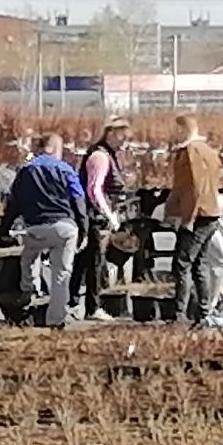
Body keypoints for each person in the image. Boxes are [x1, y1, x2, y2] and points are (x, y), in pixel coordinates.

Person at [0, 133, 87, 329]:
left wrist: (3, 230)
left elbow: (13, 204)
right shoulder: (66, 169)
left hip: (35, 228)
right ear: (56, 148)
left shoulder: (25, 170)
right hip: (64, 228)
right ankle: (56, 320)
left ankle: (29, 290)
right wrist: (83, 231)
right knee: (61, 274)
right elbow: (79, 201)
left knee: (29, 256)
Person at [71, 116, 130, 320]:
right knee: (94, 261)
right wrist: (108, 214)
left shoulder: (107, 155)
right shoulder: (100, 156)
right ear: (110, 133)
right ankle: (92, 307)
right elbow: (94, 189)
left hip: (96, 215)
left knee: (86, 261)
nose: (124, 140)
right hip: (95, 217)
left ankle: (74, 302)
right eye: (121, 135)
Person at [166, 112, 221, 324]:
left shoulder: (190, 152)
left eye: (176, 129)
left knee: (182, 263)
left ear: (183, 129)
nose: (174, 134)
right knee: (199, 263)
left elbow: (195, 187)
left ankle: (180, 314)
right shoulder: (208, 151)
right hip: (210, 213)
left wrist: (187, 218)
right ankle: (204, 312)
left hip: (197, 215)